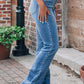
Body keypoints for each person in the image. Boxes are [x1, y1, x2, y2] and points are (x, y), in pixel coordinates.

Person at [21, 0, 59, 84]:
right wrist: (41, 4)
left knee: (42, 47)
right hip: (43, 5)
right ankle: (29, 82)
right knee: (51, 46)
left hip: (48, 5)